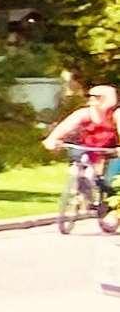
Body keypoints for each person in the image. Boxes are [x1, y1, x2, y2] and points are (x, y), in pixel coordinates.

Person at [47, 83, 120, 231]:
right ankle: (79, 194)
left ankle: (111, 210)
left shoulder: (116, 115)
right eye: (91, 97)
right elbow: (65, 126)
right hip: (87, 148)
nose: (93, 100)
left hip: (110, 151)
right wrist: (52, 139)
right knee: (79, 165)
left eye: (98, 97)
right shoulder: (84, 113)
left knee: (110, 182)